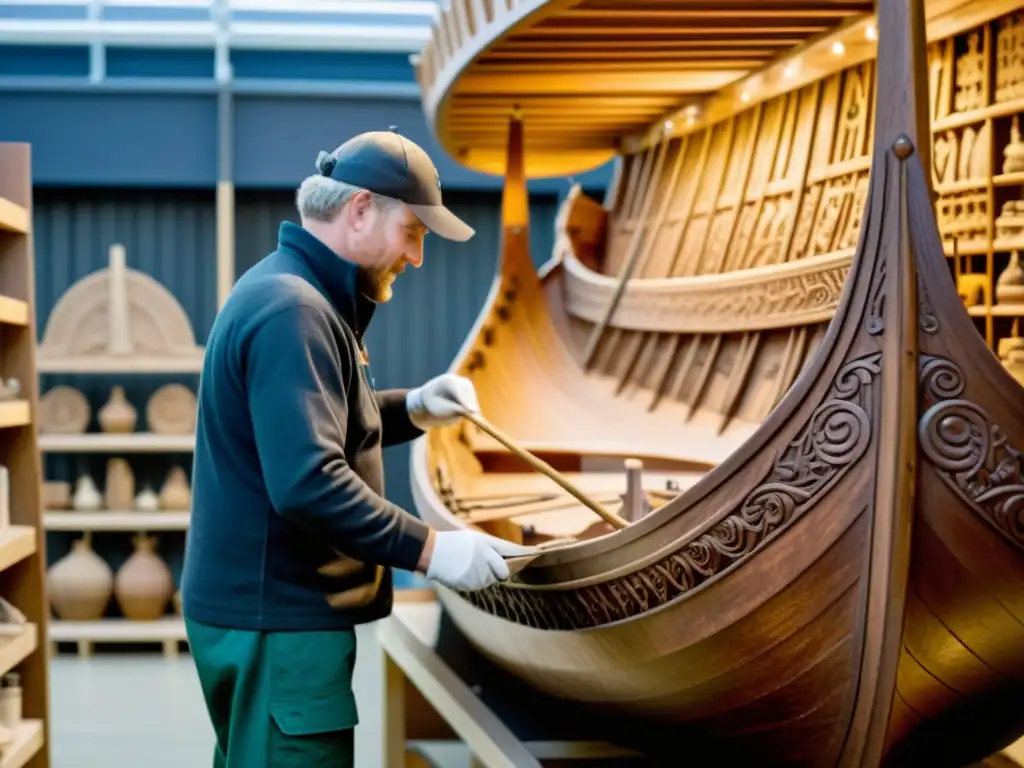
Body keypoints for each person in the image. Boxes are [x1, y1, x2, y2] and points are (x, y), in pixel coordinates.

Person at [180, 127, 535, 767]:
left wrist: (416, 408)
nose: (418, 257)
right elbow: (309, 480)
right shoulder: (295, 311)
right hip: (278, 626)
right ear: (361, 208)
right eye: (415, 232)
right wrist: (433, 550)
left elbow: (314, 425)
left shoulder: (292, 291)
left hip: (261, 615)